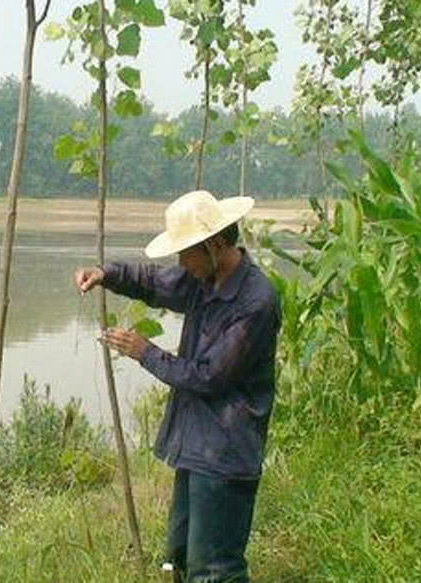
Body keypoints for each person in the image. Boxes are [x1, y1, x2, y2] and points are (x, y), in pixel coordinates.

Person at [73, 190, 281, 583]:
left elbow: (209, 376)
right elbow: (153, 282)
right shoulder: (203, 278)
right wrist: (107, 274)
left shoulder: (255, 302)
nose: (181, 262)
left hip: (226, 450)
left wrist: (145, 352)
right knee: (180, 556)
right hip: (197, 445)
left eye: (187, 252)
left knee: (217, 569)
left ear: (215, 245)